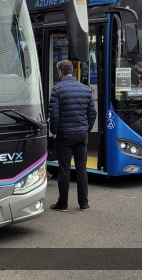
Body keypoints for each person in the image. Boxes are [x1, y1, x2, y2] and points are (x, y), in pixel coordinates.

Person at [49, 59, 97, 212]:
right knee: (81, 169)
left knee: (64, 169)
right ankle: (84, 203)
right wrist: (86, 129)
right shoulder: (86, 89)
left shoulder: (57, 89)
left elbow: (54, 114)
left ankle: (62, 204)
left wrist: (54, 131)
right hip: (81, 134)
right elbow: (92, 113)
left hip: (64, 135)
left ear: (60, 72)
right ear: (73, 71)